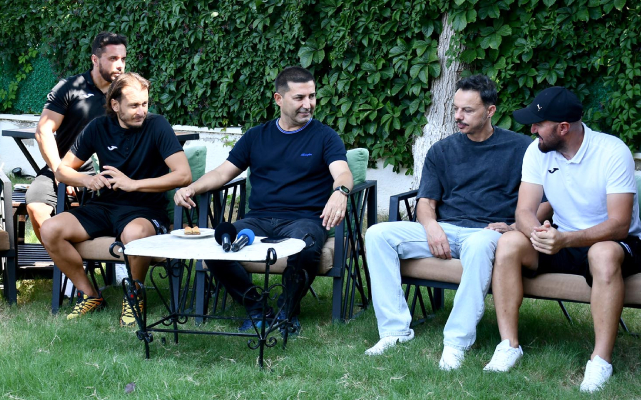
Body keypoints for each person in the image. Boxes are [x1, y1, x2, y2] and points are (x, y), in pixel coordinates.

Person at [363, 75, 533, 370]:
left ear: (490, 111)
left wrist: (516, 227)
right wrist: (432, 228)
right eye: (455, 109)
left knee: (479, 244)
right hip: (447, 229)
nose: (458, 116)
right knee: (378, 234)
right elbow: (426, 203)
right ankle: (394, 331)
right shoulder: (442, 150)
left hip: (488, 232)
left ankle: (456, 342)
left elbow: (542, 201)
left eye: (467, 110)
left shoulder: (521, 148)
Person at [484, 87, 641, 393]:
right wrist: (538, 233)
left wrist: (565, 239)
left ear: (563, 128)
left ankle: (600, 361)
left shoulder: (612, 151)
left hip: (611, 242)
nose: (532, 130)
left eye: (538, 124)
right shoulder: (537, 151)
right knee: (509, 243)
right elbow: (524, 211)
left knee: (602, 254)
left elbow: (619, 224)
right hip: (561, 237)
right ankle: (509, 345)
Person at [174, 66, 353, 334]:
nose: (308, 104)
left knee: (305, 248)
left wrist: (341, 192)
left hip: (304, 220)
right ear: (278, 99)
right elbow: (223, 173)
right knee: (214, 246)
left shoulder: (325, 136)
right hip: (258, 220)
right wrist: (191, 188)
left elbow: (342, 173)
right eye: (299, 98)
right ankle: (257, 308)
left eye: (312, 96)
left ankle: (285, 312)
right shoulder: (256, 136)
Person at [40, 72, 191, 324]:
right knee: (50, 229)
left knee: (134, 234)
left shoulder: (157, 125)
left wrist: (133, 184)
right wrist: (87, 180)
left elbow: (183, 174)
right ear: (115, 104)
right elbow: (62, 171)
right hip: (104, 206)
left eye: (145, 104)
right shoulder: (98, 127)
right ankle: (90, 295)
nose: (141, 111)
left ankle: (134, 296)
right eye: (134, 105)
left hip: (145, 210)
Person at [26, 31, 127, 243]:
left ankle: (104, 254)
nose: (120, 65)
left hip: (108, 171)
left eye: (123, 59)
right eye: (113, 58)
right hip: (63, 165)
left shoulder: (127, 92)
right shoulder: (70, 87)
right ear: (95, 59)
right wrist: (60, 171)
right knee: (36, 208)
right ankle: (62, 259)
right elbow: (43, 130)